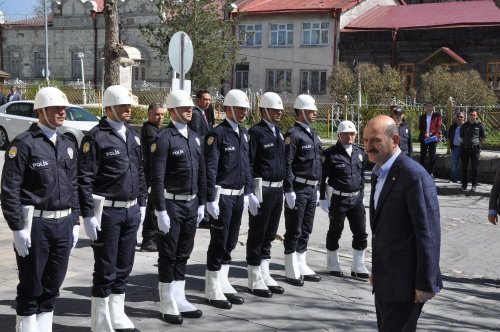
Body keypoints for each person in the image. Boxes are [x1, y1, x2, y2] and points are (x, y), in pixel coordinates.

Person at [1, 87, 80, 331]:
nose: (62, 112)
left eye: (64, 108)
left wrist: (75, 221)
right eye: (57, 108)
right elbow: (10, 189)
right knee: (31, 285)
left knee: (53, 283)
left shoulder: (67, 143)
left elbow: (73, 185)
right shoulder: (24, 144)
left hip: (63, 223)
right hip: (36, 224)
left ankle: (44, 326)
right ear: (41, 110)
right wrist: (17, 228)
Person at [364, 115, 443, 332]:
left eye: (375, 140)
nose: (369, 146)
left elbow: (428, 233)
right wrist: (377, 269)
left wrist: (425, 283)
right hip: (385, 279)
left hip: (406, 284)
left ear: (395, 139)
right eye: (365, 140)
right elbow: (383, 229)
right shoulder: (378, 173)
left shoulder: (413, 175)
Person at [78, 85, 147, 332]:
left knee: (125, 265)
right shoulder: (96, 137)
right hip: (107, 212)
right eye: (122, 106)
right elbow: (84, 178)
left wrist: (143, 202)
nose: (128, 109)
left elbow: (139, 171)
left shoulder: (132, 134)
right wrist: (87, 214)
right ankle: (100, 321)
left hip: (130, 210)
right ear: (109, 108)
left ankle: (117, 313)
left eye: (129, 106)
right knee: (106, 267)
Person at [150, 90, 206, 324]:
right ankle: (167, 302)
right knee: (169, 254)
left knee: (184, 252)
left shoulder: (194, 136)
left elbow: (201, 171)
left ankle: (180, 297)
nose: (189, 111)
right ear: (172, 111)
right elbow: (157, 177)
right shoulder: (164, 138)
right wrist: (160, 209)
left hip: (191, 204)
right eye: (184, 108)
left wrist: (202, 201)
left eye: (190, 108)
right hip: (171, 204)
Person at [204, 89, 258, 309]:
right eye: (240, 109)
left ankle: (223, 282)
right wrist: (210, 198)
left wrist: (248, 192)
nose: (244, 113)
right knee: (218, 241)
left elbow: (246, 166)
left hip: (237, 197)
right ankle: (212, 287)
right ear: (228, 109)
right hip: (222, 196)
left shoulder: (243, 133)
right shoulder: (216, 135)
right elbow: (210, 168)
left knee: (231, 241)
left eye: (246, 110)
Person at [246, 92, 286, 298]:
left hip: (277, 189)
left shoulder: (278, 133)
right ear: (264, 111)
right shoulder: (256, 133)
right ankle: (254, 277)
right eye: (275, 110)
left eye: (280, 110)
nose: (279, 112)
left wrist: (287, 189)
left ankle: (264, 272)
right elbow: (250, 164)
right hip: (262, 189)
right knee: (257, 234)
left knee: (270, 234)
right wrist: (250, 192)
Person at [319, 120, 369, 279]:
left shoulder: (360, 152)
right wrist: (323, 198)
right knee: (335, 231)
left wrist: (361, 193)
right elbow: (322, 178)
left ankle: (358, 265)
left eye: (352, 133)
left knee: (361, 233)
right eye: (346, 133)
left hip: (356, 200)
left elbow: (362, 176)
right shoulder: (330, 154)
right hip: (338, 200)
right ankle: (332, 263)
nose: (350, 136)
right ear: (339, 135)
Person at [283, 94, 322, 286]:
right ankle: (291, 267)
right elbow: (287, 164)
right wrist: (288, 189)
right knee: (294, 229)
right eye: (311, 111)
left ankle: (301, 263)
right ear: (301, 112)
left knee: (306, 228)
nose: (315, 113)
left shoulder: (313, 133)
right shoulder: (293, 135)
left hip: (312, 188)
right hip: (298, 188)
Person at [140, 103, 166, 252]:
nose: (160, 117)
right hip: (151, 175)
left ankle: (153, 237)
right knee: (153, 208)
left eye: (162, 114)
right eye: (157, 114)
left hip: (155, 175)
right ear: (149, 114)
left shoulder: (157, 129)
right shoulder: (150, 130)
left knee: (155, 207)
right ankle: (148, 239)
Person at [188, 89, 213, 229]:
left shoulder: (203, 113)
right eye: (205, 99)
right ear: (198, 100)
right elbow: (198, 137)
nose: (208, 102)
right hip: (202, 155)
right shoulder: (196, 114)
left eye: (209, 99)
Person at [460, 109, 486, 193]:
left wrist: (478, 145)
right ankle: (464, 185)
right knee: (464, 167)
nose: (472, 116)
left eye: (474, 115)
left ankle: (474, 186)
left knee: (474, 168)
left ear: (476, 116)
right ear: (468, 115)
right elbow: (462, 136)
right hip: (465, 148)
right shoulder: (464, 125)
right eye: (471, 114)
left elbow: (483, 137)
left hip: (475, 149)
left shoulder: (479, 125)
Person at [418, 102, 442, 176]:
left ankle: (431, 172)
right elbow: (420, 127)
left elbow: (438, 126)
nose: (429, 108)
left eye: (430, 106)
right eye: (427, 106)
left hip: (432, 138)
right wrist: (425, 133)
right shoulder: (422, 117)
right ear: (425, 108)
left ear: (433, 107)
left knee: (432, 155)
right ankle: (421, 171)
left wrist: (431, 133)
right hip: (424, 138)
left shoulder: (437, 116)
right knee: (423, 155)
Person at [447, 111, 465, 183]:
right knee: (454, 164)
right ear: (456, 118)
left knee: (463, 164)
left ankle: (462, 179)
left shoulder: (466, 126)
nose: (460, 118)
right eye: (458, 117)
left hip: (464, 148)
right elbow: (449, 136)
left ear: (464, 118)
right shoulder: (452, 126)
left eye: (461, 117)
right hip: (455, 148)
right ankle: (454, 178)